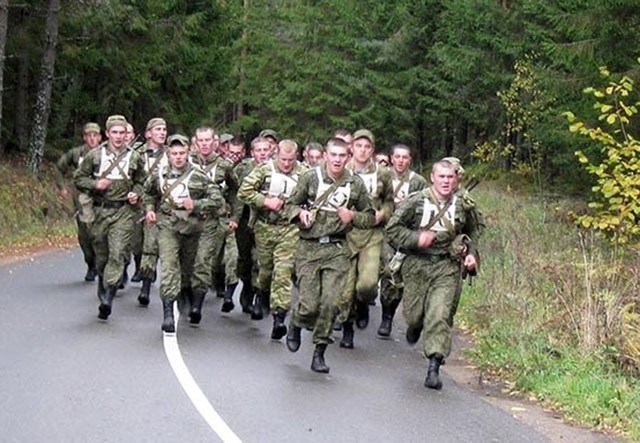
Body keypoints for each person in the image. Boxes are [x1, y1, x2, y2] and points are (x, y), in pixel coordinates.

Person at [385, 159, 482, 390]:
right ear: (432, 178)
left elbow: (474, 230)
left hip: (447, 267)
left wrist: (471, 255)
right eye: (442, 177)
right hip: (417, 264)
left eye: (450, 177)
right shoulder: (416, 201)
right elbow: (392, 230)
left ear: (456, 179)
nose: (446, 182)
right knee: (414, 315)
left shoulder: (463, 205)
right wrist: (416, 239)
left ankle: (434, 364)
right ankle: (415, 325)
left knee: (440, 314)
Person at [284, 137, 375, 373]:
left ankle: (319, 351)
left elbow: (370, 216)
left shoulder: (355, 184)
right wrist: (299, 215)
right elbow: (289, 206)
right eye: (333, 155)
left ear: (348, 157)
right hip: (309, 248)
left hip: (337, 249)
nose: (337, 159)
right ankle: (297, 320)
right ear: (325, 155)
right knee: (309, 305)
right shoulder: (310, 178)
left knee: (331, 303)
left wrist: (352, 217)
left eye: (342, 155)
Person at [142, 134, 224, 332]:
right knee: (169, 266)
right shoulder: (159, 174)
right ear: (168, 154)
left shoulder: (198, 175)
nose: (178, 157)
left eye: (182, 153)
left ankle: (189, 295)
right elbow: (148, 194)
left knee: (189, 267)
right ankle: (168, 313)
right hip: (168, 225)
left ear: (188, 153)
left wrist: (196, 204)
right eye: (174, 153)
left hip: (192, 227)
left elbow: (217, 200)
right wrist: (150, 210)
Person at [75, 115, 146, 320]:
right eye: (114, 132)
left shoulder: (134, 157)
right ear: (107, 134)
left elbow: (143, 181)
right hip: (100, 211)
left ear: (126, 135)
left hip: (123, 211)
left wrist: (136, 193)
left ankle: (108, 296)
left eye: (122, 132)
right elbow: (79, 178)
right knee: (102, 256)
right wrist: (95, 185)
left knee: (117, 253)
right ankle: (103, 284)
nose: (118, 136)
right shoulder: (95, 156)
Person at [237, 139, 307, 339]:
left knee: (283, 271)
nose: (287, 164)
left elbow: (314, 198)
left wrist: (303, 212)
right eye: (283, 159)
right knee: (266, 269)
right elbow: (244, 192)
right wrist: (265, 201)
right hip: (265, 226)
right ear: (276, 155)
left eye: (291, 160)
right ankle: (262, 293)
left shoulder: (304, 173)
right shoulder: (264, 170)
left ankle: (279, 317)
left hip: (289, 229)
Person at [336, 129, 394, 349]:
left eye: (367, 147)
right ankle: (347, 328)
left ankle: (363, 304)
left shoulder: (382, 174)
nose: (362, 150)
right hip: (346, 233)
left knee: (368, 284)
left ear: (372, 150)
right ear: (351, 148)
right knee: (345, 289)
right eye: (358, 146)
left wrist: (384, 214)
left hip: (372, 234)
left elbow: (390, 202)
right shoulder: (342, 170)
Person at [189, 126, 241, 324]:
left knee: (203, 261)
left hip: (211, 220)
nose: (204, 144)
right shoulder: (187, 161)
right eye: (200, 140)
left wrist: (234, 216)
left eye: (208, 140)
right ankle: (186, 292)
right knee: (187, 262)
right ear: (195, 142)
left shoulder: (224, 166)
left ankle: (197, 304)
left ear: (215, 142)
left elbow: (236, 192)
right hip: (186, 220)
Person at [377, 144, 428, 337]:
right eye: (397, 157)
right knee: (388, 273)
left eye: (404, 157)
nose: (400, 161)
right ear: (391, 158)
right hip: (383, 233)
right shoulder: (382, 177)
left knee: (401, 280)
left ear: (410, 160)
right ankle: (385, 317)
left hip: (407, 236)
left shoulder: (418, 182)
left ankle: (390, 312)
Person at [54, 122, 102, 281]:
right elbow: (59, 168)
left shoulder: (107, 153)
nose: (92, 138)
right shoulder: (76, 154)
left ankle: (106, 266)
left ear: (100, 137)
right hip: (82, 198)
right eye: (89, 135)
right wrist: (62, 187)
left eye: (95, 135)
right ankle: (91, 262)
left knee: (102, 232)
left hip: (103, 197)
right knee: (85, 233)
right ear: (84, 137)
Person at [233, 137, 272, 313]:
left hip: (265, 220)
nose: (262, 153)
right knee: (244, 258)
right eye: (259, 150)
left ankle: (257, 294)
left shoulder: (275, 170)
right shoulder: (242, 169)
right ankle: (247, 284)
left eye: (265, 150)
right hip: (244, 218)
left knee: (261, 260)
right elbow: (234, 192)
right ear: (252, 152)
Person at [132, 118, 168, 306]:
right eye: (158, 129)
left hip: (159, 207)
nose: (162, 133)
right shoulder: (135, 154)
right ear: (148, 134)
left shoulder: (171, 155)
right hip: (136, 206)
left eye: (164, 129)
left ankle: (146, 284)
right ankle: (140, 269)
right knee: (137, 245)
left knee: (150, 246)